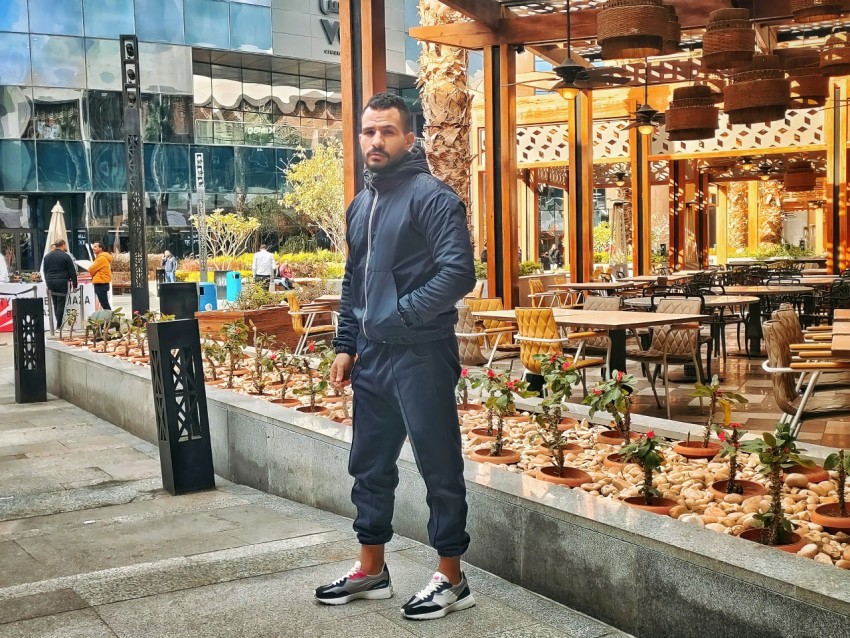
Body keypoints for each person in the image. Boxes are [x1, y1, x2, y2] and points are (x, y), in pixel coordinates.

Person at [315, 93, 476, 620]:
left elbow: (458, 272)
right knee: (369, 465)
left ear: (410, 138)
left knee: (438, 465)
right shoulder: (361, 204)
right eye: (368, 132)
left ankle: (452, 577)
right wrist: (345, 343)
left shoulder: (434, 198)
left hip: (422, 354)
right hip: (372, 359)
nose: (376, 141)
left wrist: (400, 315)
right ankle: (372, 569)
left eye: (387, 132)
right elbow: (353, 283)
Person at [43, 240, 78, 327]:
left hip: (50, 281)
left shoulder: (47, 256)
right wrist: (75, 285)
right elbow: (72, 271)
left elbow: (45, 270)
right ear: (63, 245)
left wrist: (47, 282)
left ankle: (58, 323)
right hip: (62, 281)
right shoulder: (65, 256)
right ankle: (59, 325)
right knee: (61, 303)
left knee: (55, 303)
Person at [88, 242, 113, 310]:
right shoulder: (100, 257)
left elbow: (91, 269)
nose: (93, 248)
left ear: (101, 248)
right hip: (102, 282)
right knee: (104, 302)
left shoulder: (101, 258)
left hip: (101, 282)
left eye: (95, 247)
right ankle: (109, 317)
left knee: (104, 303)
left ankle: (110, 317)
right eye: (93, 246)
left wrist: (93, 272)